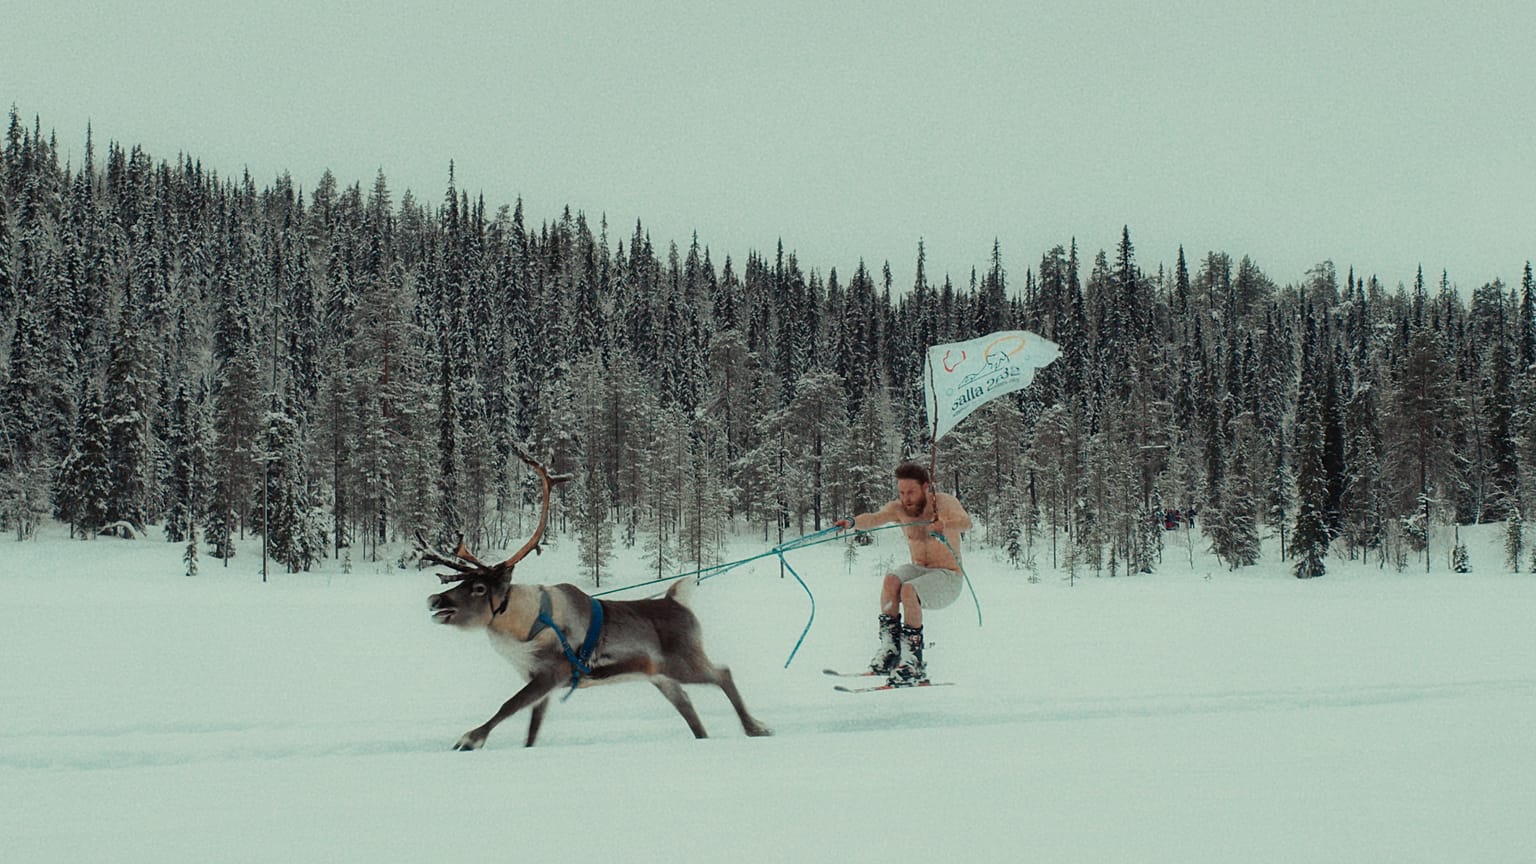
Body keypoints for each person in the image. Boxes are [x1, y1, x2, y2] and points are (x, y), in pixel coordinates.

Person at [834, 462, 972, 686]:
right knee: (892, 580)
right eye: (902, 492)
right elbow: (874, 518)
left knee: (908, 589)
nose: (906, 497)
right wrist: (851, 522)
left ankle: (913, 663)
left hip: (948, 577)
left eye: (911, 492)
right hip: (921, 571)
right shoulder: (899, 509)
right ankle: (891, 649)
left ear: (925, 487)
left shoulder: (944, 502)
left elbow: (966, 523)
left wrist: (944, 524)